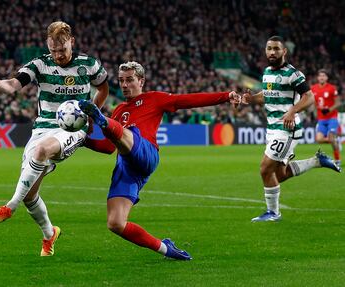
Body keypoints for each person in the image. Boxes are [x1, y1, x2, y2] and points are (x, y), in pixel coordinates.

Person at [78, 61, 240, 260]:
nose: (124, 85)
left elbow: (187, 100)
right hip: (127, 169)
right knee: (115, 223)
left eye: (129, 80)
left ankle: (101, 119)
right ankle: (165, 248)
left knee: (130, 133)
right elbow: (108, 148)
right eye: (121, 81)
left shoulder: (154, 98)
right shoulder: (119, 110)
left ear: (141, 81)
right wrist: (82, 140)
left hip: (146, 153)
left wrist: (225, 96)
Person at [0, 21, 109, 256]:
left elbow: (103, 88)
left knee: (41, 152)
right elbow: (13, 85)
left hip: (71, 130)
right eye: (53, 50)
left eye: (62, 50)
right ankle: (49, 235)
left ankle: (9, 207)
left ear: (72, 42)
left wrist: (91, 115)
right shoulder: (40, 64)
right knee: (30, 194)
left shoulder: (89, 65)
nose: (57, 55)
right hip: (41, 129)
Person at [240, 36, 341, 222]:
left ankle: (273, 212)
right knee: (280, 174)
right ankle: (317, 161)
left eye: (276, 49)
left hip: (287, 128)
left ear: (284, 51)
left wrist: (292, 111)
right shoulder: (267, 72)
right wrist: (252, 99)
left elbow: (309, 97)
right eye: (269, 48)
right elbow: (268, 94)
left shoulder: (293, 74)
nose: (272, 52)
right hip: (272, 128)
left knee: (264, 169)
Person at [311, 69, 342, 166]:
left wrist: (329, 109)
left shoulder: (332, 88)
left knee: (331, 137)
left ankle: (337, 160)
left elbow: (338, 103)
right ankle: (336, 142)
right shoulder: (313, 88)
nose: (321, 77)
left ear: (327, 78)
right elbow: (313, 102)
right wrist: (312, 110)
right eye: (320, 76)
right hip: (321, 119)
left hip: (332, 117)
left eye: (324, 76)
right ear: (317, 77)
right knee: (319, 139)